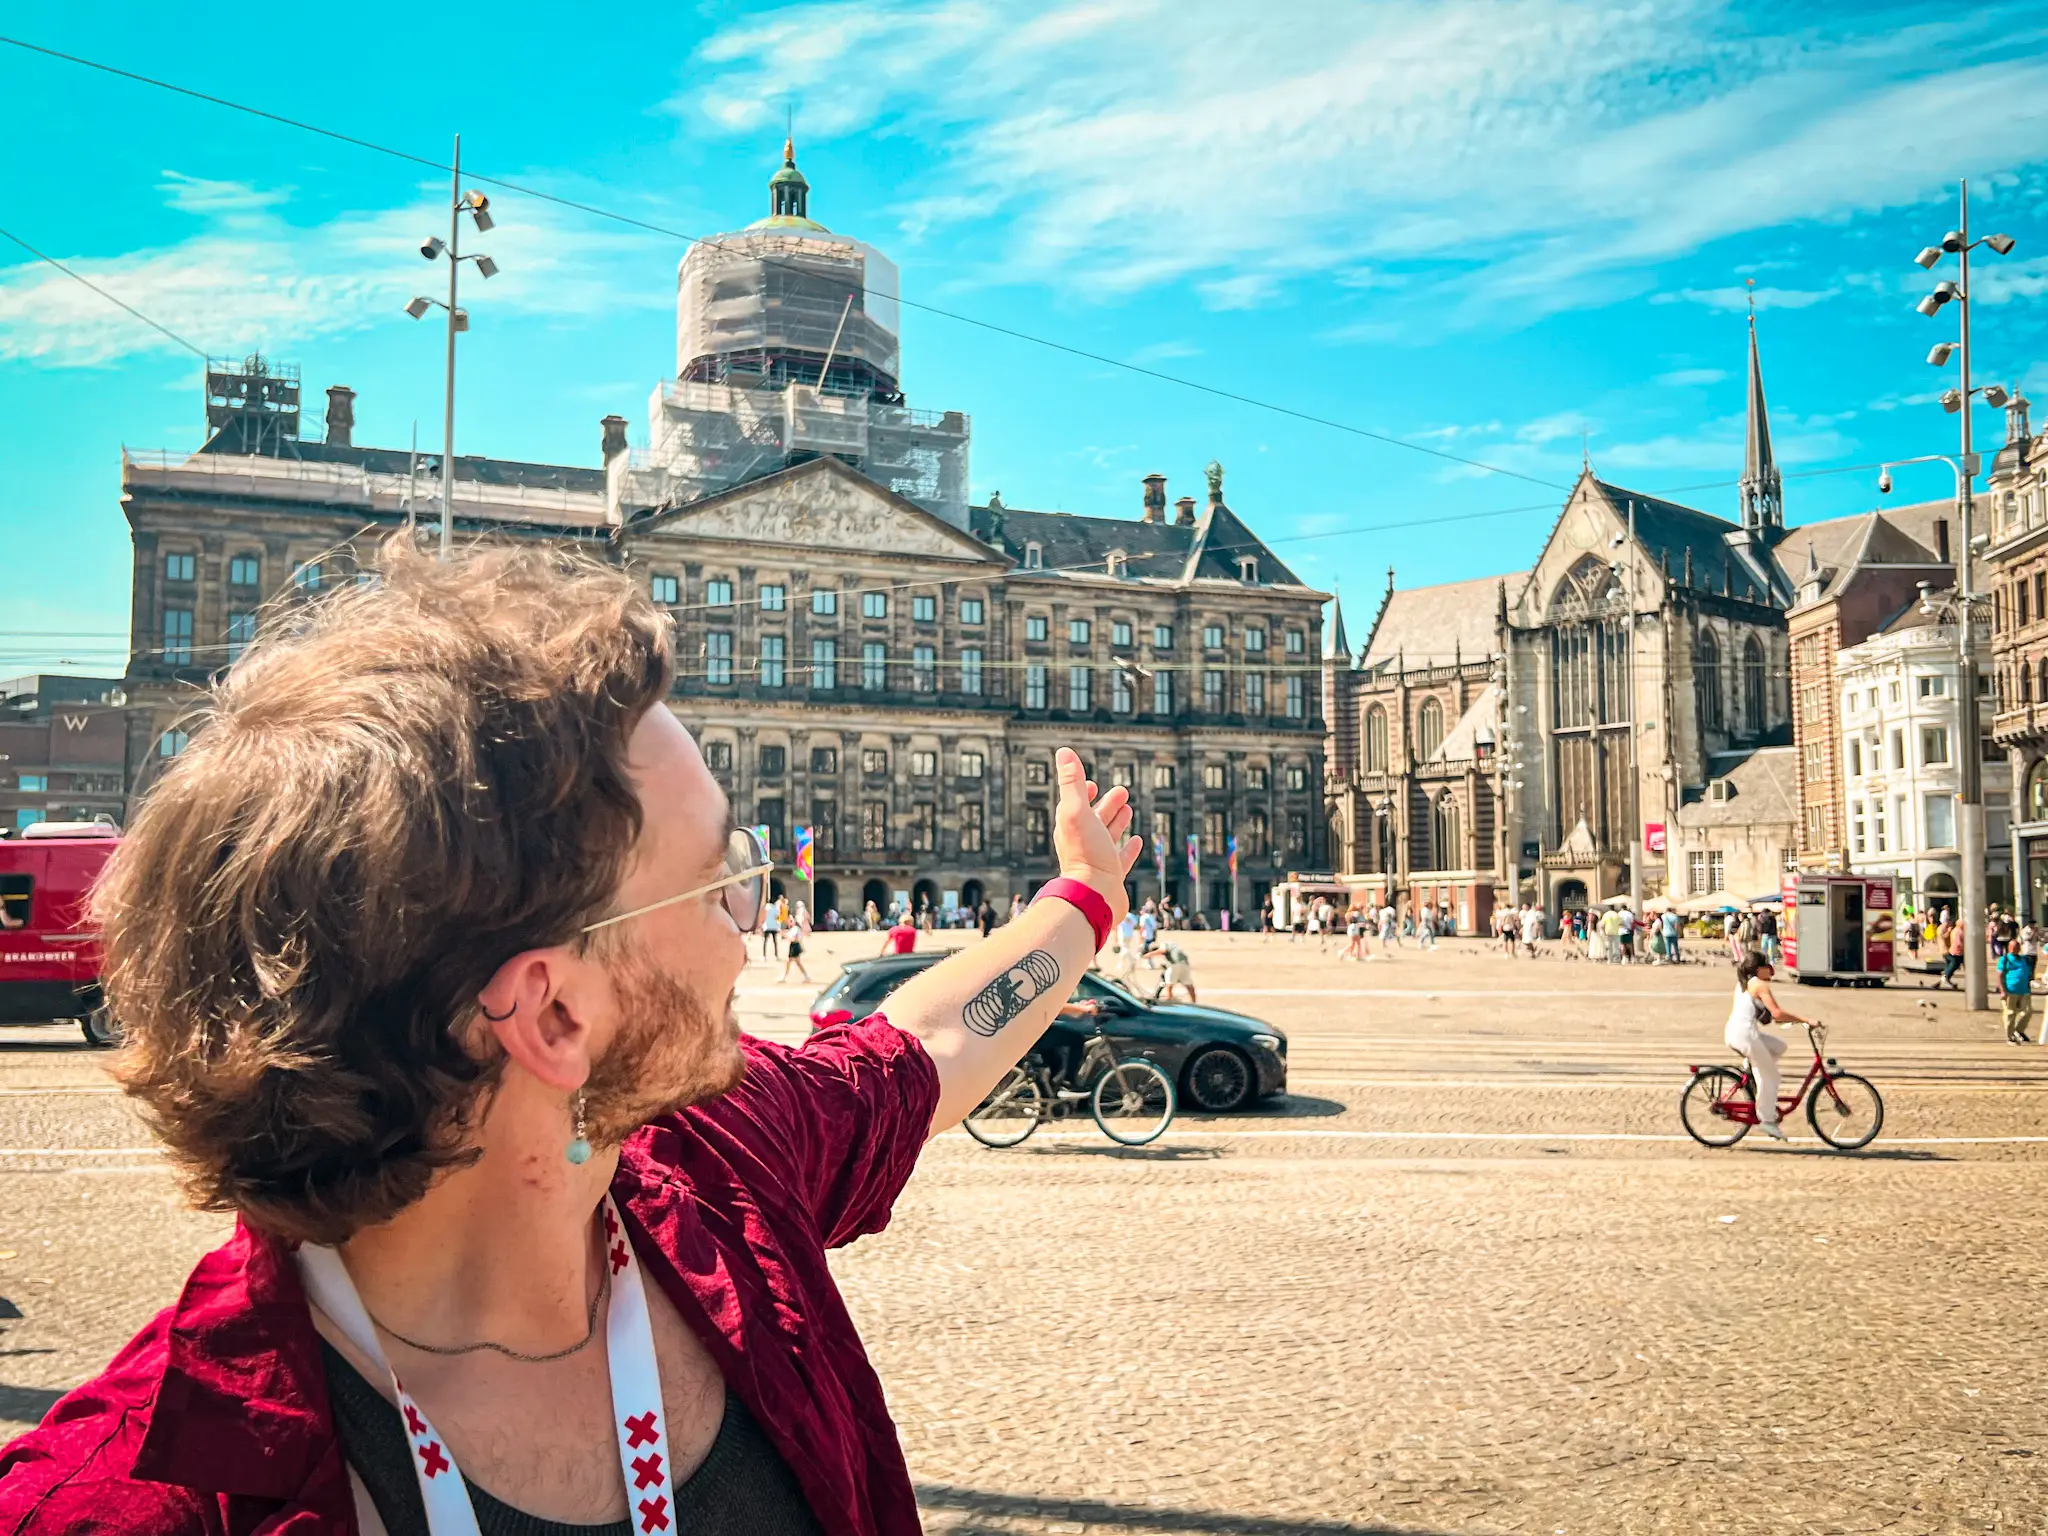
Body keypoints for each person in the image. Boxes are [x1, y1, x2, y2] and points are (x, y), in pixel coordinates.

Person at [0, 543, 1142, 1536]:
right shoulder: (108, 1506)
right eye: (716, 883)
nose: (745, 932)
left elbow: (917, 1050)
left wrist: (1083, 900)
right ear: (554, 1016)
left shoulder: (717, 1156)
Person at [1725, 951, 1813, 1141]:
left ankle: (1756, 1074)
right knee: (1772, 1076)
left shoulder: (1743, 983)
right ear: (1759, 969)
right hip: (1745, 1035)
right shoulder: (1759, 985)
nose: (1771, 969)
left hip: (1737, 1032)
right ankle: (1766, 1118)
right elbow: (1777, 1014)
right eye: (1767, 965)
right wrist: (1805, 1020)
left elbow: (1765, 1016)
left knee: (1778, 1046)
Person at [1999, 938, 2036, 1045]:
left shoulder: (2024, 959)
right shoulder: (2005, 959)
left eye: (2017, 947)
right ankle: (2010, 1036)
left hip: (2024, 990)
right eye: (2013, 947)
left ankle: (2019, 1030)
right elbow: (1999, 975)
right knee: (2011, 1013)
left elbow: (2028, 974)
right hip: (2010, 990)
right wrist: (2002, 990)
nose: (2015, 949)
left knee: (2028, 1011)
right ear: (2009, 948)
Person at [1146, 936, 1196, 1003]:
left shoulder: (1163, 944)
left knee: (1169, 982)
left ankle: (1169, 999)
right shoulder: (1172, 945)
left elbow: (1163, 950)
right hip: (1184, 963)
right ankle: (1193, 1001)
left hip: (1175, 964)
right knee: (1188, 984)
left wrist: (1149, 954)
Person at [778, 899, 811, 985]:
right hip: (794, 946)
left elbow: (794, 939)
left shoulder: (795, 929)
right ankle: (806, 976)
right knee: (796, 963)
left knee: (789, 962)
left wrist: (785, 935)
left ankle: (784, 977)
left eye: (791, 921)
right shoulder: (794, 929)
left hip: (794, 946)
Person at [1941, 914, 1965, 990]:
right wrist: (1964, 948)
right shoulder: (1959, 931)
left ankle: (1946, 977)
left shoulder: (1956, 930)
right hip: (1957, 951)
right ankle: (1946, 976)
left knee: (1954, 964)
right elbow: (1958, 943)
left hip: (1955, 951)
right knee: (1954, 964)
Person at [761, 892, 783, 959]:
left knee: (765, 941)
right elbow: (778, 918)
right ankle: (776, 956)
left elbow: (762, 917)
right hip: (774, 926)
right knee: (775, 942)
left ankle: (764, 956)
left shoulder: (765, 908)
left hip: (766, 926)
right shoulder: (775, 909)